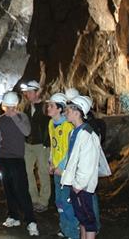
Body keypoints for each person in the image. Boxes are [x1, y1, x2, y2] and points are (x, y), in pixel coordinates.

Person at [0, 91, 39, 236]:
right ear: (4, 106)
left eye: (12, 106)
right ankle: (13, 216)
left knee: (22, 190)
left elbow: (27, 132)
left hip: (17, 159)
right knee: (9, 189)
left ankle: (31, 221)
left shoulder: (22, 116)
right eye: (8, 107)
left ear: (16, 105)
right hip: (3, 159)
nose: (10, 109)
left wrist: (15, 118)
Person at [61, 95, 105, 239]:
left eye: (68, 110)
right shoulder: (75, 132)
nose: (65, 112)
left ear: (77, 112)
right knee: (82, 218)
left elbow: (87, 162)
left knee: (88, 219)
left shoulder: (87, 134)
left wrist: (78, 184)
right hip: (77, 183)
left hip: (82, 186)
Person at [46, 92, 78, 239]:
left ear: (59, 108)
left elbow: (70, 150)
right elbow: (54, 145)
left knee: (67, 202)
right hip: (57, 168)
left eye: (51, 105)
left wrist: (62, 167)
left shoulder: (68, 126)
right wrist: (51, 162)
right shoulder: (51, 123)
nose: (48, 108)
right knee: (58, 202)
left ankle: (73, 232)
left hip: (66, 171)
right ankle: (64, 228)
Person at [21, 80, 51, 212]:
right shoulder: (27, 107)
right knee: (27, 171)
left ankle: (44, 200)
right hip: (28, 143)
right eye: (27, 92)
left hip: (41, 144)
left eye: (30, 92)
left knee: (43, 171)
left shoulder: (46, 107)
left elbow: (50, 126)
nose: (27, 94)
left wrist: (48, 143)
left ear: (37, 92)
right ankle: (33, 198)